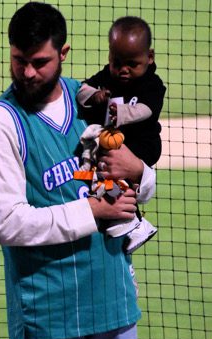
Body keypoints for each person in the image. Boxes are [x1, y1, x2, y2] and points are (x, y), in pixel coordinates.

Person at [0, 3, 156, 339]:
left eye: (39, 62)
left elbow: (137, 188)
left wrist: (140, 173)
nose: (27, 72)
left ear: (63, 53)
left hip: (113, 300)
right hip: (47, 313)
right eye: (19, 60)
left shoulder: (95, 101)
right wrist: (93, 211)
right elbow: (8, 223)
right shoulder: (0, 123)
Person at [77, 16, 166, 253]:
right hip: (114, 144)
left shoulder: (152, 83)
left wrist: (122, 113)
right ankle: (134, 223)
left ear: (149, 57)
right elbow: (82, 89)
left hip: (142, 145)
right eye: (117, 62)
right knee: (102, 181)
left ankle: (132, 222)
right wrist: (94, 95)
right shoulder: (108, 76)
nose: (123, 70)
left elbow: (147, 109)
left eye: (132, 64)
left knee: (108, 178)